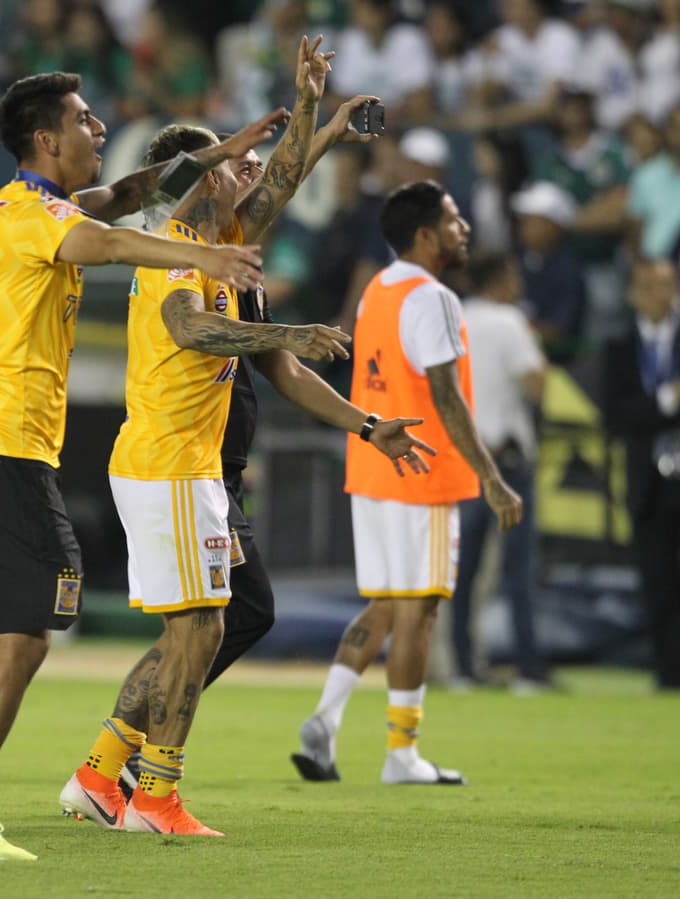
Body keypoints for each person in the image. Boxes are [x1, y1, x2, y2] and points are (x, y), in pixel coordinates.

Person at [0, 71, 274, 862]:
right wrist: (215, 253)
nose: (99, 127)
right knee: (24, 633)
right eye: (85, 118)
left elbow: (127, 195)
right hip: (4, 447)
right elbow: (112, 241)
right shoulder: (34, 217)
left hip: (1, 447)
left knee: (7, 632)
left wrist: (214, 159)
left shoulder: (18, 205)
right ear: (45, 138)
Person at [59, 43, 433, 835]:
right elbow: (190, 329)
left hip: (185, 466)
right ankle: (151, 794)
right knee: (202, 627)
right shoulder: (172, 261)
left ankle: (114, 778)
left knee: (206, 624)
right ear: (198, 181)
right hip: (169, 465)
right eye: (229, 167)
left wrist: (311, 109)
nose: (246, 173)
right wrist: (289, 329)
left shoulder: (218, 246)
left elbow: (285, 179)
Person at [292, 179, 523, 786]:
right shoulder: (435, 297)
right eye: (453, 219)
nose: (464, 227)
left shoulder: (377, 290)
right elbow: (445, 397)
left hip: (371, 467)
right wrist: (493, 478)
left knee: (388, 605)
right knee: (419, 612)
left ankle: (326, 716)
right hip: (424, 470)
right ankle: (402, 754)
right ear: (425, 235)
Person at [451, 253, 549, 692]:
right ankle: (528, 669)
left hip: (466, 455)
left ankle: (461, 668)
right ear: (502, 279)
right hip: (506, 460)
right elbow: (536, 384)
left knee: (463, 572)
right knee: (518, 571)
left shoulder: (455, 317)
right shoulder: (511, 321)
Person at [603, 258, 680, 691]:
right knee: (658, 581)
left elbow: (633, 413)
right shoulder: (619, 346)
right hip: (647, 481)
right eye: (649, 286)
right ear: (633, 293)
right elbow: (616, 416)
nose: (659, 294)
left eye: (667, 285)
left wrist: (647, 412)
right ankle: (668, 677)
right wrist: (669, 400)